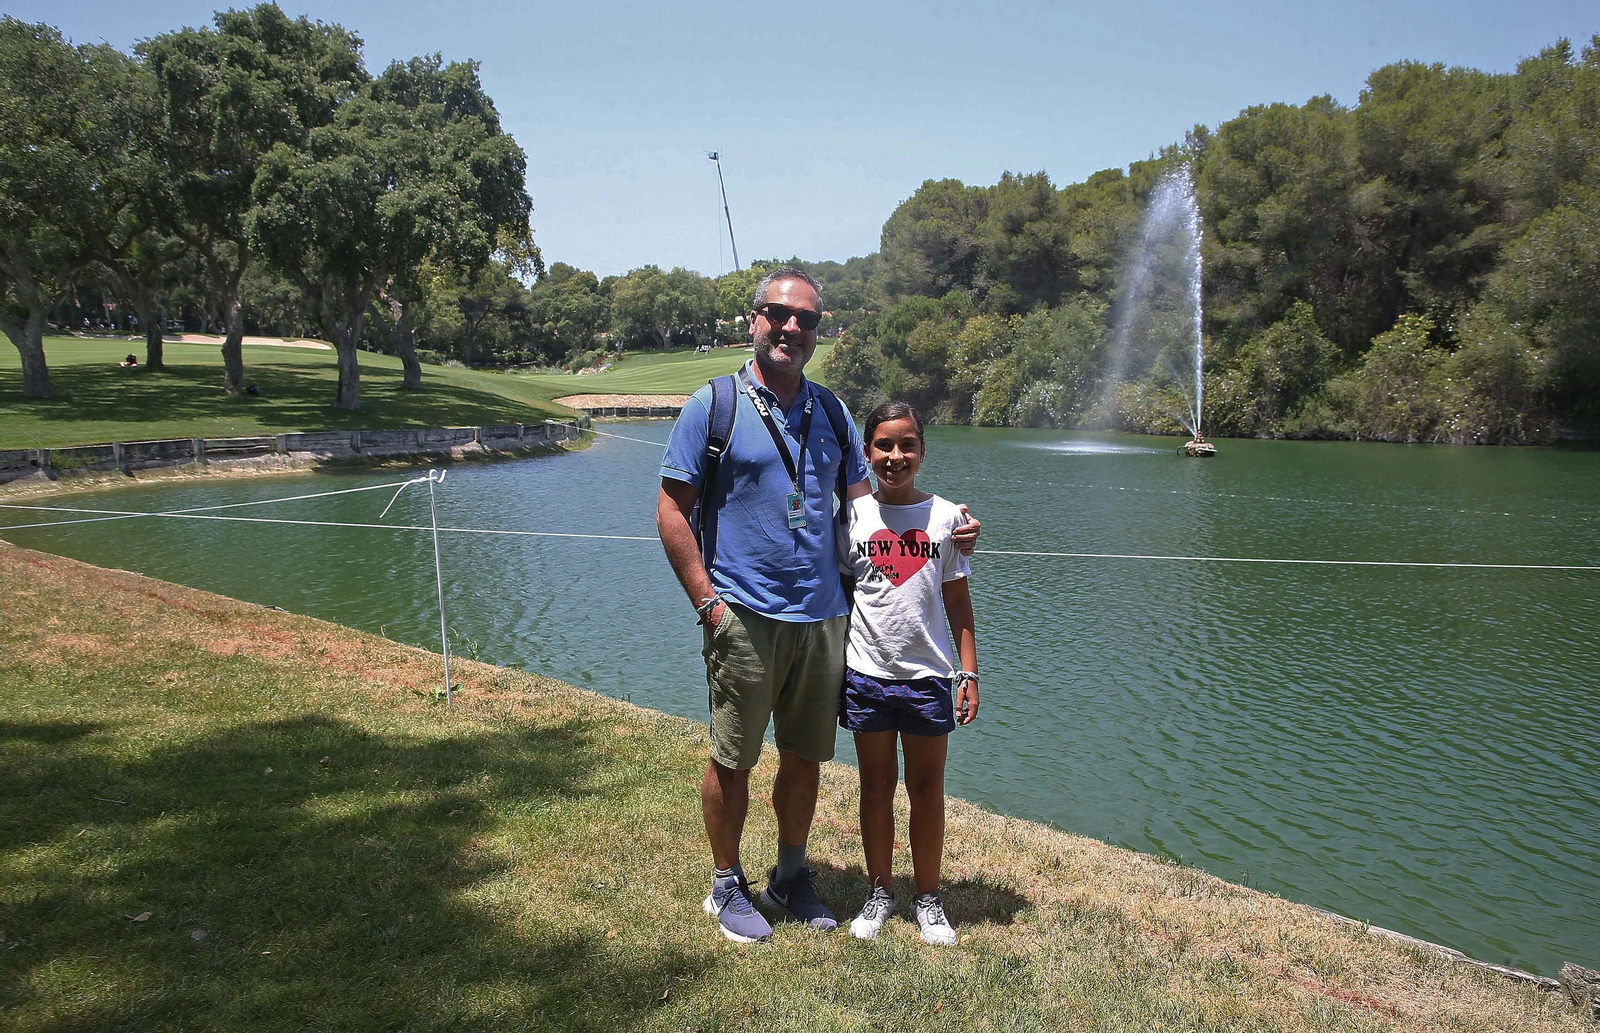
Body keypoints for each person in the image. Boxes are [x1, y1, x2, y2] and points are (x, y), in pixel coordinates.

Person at [656, 268, 977, 943]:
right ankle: (725, 883)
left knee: (804, 757)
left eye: (806, 319)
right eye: (778, 313)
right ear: (754, 319)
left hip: (826, 620)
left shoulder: (829, 411)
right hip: (742, 613)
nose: (791, 327)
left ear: (818, 330)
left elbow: (870, 508)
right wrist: (707, 602)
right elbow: (671, 511)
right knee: (734, 756)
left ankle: (790, 875)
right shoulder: (712, 405)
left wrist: (946, 524)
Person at [838, 401, 979, 946]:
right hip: (867, 674)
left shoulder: (946, 519)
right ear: (868, 451)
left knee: (926, 789)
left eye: (907, 446)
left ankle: (928, 896)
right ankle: (879, 890)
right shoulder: (853, 516)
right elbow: (846, 592)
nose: (895, 457)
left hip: (927, 679)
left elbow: (959, 605)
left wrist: (967, 674)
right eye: (883, 446)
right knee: (874, 787)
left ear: (922, 452)